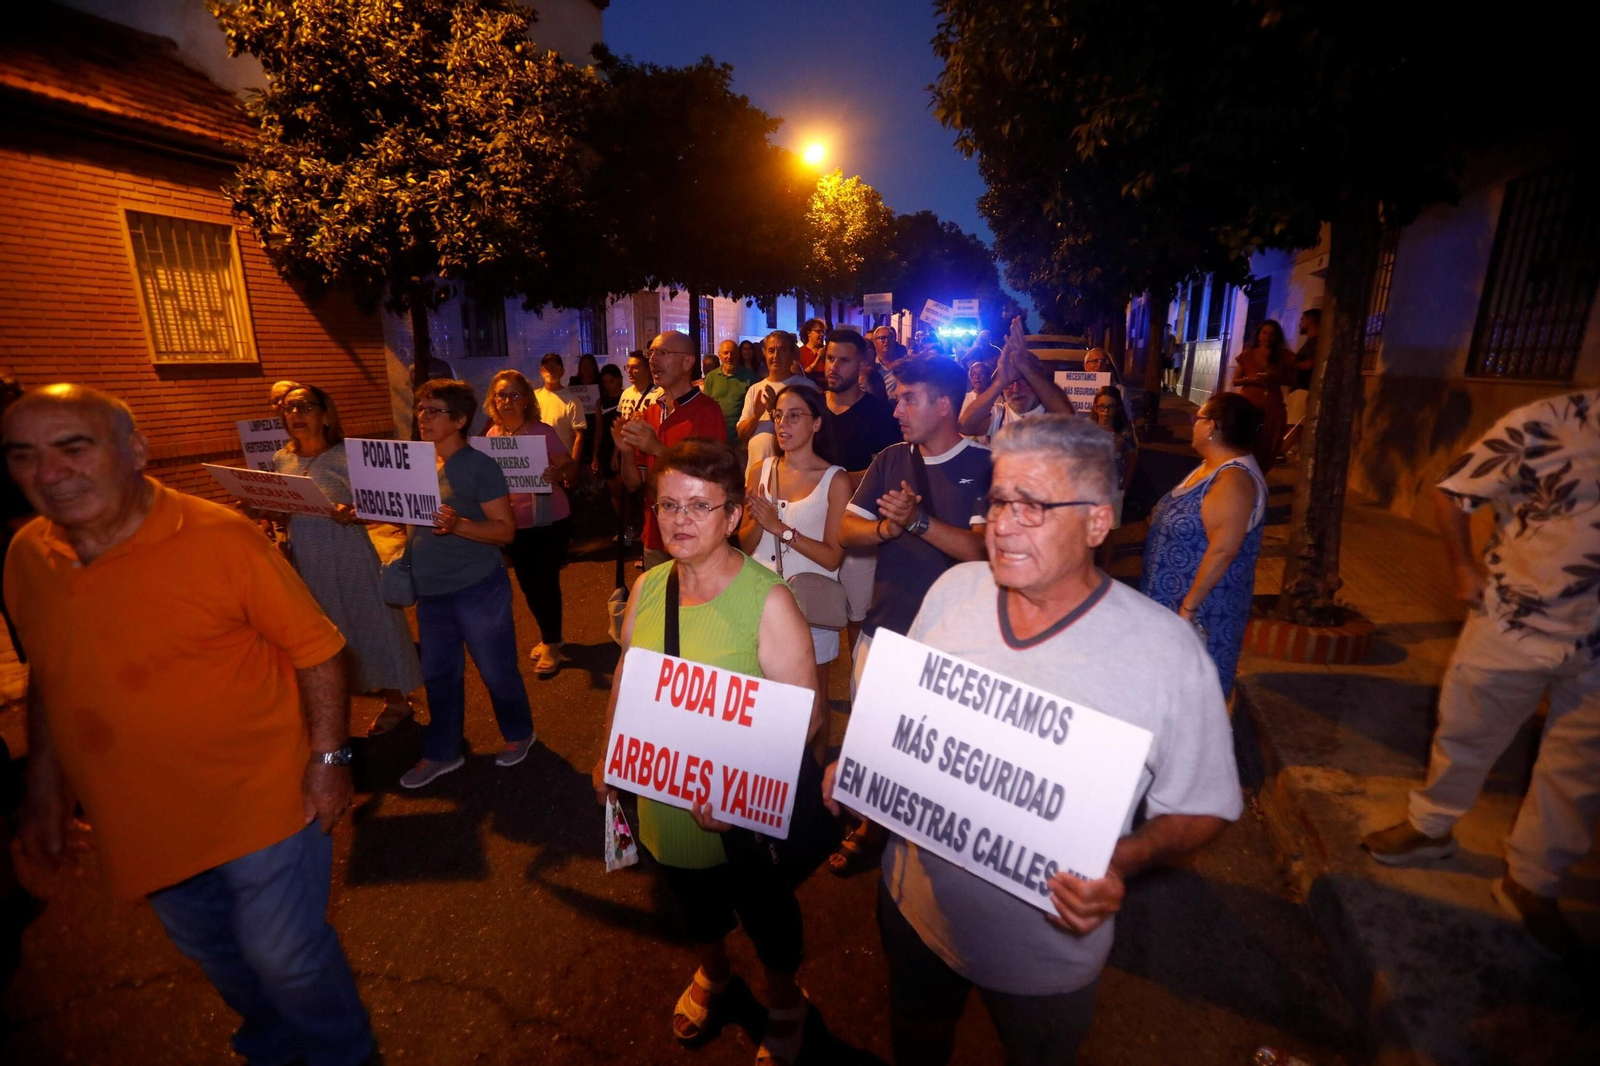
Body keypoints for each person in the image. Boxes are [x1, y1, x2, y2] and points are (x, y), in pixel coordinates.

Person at [824, 414, 1242, 1066]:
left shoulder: (1166, 655)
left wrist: (1122, 861)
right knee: (917, 1035)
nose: (1003, 524)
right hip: (913, 912)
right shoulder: (952, 590)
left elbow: (1206, 805)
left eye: (1036, 505)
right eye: (996, 500)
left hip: (1044, 958)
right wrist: (862, 764)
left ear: (1098, 522)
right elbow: (904, 724)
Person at [3, 384, 375, 1065]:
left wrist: (329, 761)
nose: (48, 473)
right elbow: (54, 675)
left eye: (72, 448)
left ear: (134, 450)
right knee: (218, 953)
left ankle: (342, 1055)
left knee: (285, 955)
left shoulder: (217, 538)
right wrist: (45, 784)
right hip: (141, 820)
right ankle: (273, 1042)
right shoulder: (27, 555)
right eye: (23, 455)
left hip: (265, 800)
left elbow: (320, 649)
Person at [592, 440, 820, 1066]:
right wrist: (609, 753)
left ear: (733, 516)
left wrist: (739, 787)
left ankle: (784, 1001)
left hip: (740, 814)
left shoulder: (767, 601)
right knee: (693, 902)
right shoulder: (649, 584)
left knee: (768, 917)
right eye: (668, 504)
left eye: (698, 506)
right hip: (665, 800)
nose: (680, 519)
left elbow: (808, 717)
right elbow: (627, 675)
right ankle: (715, 973)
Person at [1361, 388, 1600, 960]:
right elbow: (1455, 491)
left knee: (1580, 766)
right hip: (1516, 621)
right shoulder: (1549, 421)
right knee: (1467, 730)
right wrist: (1464, 573)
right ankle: (1432, 826)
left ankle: (1533, 881)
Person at [831, 354, 991, 876]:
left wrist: (918, 522)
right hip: (885, 629)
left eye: (908, 398)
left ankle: (932, 847)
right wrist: (884, 530)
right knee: (877, 739)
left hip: (953, 644)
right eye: (897, 397)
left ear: (944, 405)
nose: (897, 408)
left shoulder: (985, 465)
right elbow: (846, 532)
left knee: (937, 752)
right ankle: (873, 828)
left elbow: (982, 550)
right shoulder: (890, 460)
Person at [402, 379, 535, 788]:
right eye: (420, 409)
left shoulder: (479, 466)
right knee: (439, 675)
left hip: (478, 587)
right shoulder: (416, 463)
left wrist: (459, 525)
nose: (423, 417)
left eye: (433, 410)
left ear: (459, 420)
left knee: (496, 670)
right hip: (431, 591)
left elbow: (504, 531)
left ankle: (518, 733)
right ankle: (442, 752)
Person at [271, 384, 423, 736]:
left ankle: (396, 700)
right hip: (306, 557)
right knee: (322, 632)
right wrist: (266, 509)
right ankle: (330, 703)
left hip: (348, 552)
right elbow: (287, 509)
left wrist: (354, 512)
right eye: (289, 408)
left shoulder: (348, 456)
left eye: (305, 406)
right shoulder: (283, 458)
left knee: (370, 622)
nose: (295, 413)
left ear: (325, 414)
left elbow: (385, 502)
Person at [740, 386, 852, 760]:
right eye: (777, 415)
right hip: (758, 605)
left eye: (794, 415)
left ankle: (813, 793)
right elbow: (744, 542)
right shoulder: (761, 470)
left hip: (810, 609)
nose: (782, 423)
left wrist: (781, 527)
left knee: (813, 711)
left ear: (817, 423)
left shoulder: (835, 480)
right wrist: (759, 521)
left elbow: (833, 557)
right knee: (761, 700)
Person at [1140, 393, 1268, 699]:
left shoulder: (1233, 479)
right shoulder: (1210, 467)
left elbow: (1223, 549)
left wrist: (1188, 608)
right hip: (1171, 606)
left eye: (1197, 419)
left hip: (1203, 612)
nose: (1192, 425)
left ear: (1211, 426)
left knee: (1192, 697)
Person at [484, 370, 580, 680]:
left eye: (515, 394)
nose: (508, 401)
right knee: (527, 584)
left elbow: (570, 467)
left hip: (548, 519)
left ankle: (551, 642)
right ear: (493, 401)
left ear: (527, 400)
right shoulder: (491, 437)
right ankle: (551, 635)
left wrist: (559, 472)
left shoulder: (542, 432)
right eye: (502, 395)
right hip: (513, 524)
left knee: (545, 583)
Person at [614, 332, 730, 571]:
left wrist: (656, 447)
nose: (653, 360)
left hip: (695, 535)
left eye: (663, 353)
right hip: (655, 535)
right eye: (651, 353)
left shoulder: (708, 411)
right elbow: (635, 483)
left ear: (688, 362)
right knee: (658, 605)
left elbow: (711, 481)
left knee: (696, 607)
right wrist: (626, 450)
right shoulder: (651, 413)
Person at [818, 332, 903, 652]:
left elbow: (885, 473)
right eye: (829, 358)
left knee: (860, 618)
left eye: (844, 360)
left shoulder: (881, 415)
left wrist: (831, 482)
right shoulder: (810, 408)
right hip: (811, 528)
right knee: (809, 613)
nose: (834, 366)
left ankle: (858, 693)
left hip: (859, 531)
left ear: (863, 365)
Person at [960, 325, 1074, 441]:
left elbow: (1069, 417)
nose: (1015, 390)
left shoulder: (1051, 414)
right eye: (1009, 383)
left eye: (1023, 380)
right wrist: (999, 383)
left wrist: (1025, 367)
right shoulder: (998, 415)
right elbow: (965, 426)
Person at [737, 331, 819, 474]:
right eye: (771, 350)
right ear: (765, 354)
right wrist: (755, 416)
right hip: (755, 473)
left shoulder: (805, 387)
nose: (776, 356)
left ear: (792, 354)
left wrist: (773, 412)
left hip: (791, 475)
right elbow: (742, 434)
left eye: (783, 350)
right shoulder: (754, 389)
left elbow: (813, 432)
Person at [1231, 321, 1290, 472]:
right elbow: (1235, 380)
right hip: (1250, 404)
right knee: (1248, 442)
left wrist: (1275, 378)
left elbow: (1291, 378)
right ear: (1258, 335)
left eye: (1272, 333)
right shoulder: (1247, 355)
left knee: (1269, 444)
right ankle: (1242, 474)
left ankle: (1259, 476)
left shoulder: (1283, 356)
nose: (1267, 336)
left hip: (1273, 406)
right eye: (1264, 332)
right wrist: (1249, 379)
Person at [1090, 385, 1138, 531]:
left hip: (1114, 488)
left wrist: (1127, 483)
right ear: (1095, 407)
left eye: (1111, 407)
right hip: (1089, 488)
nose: (1106, 411)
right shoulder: (1086, 429)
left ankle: (1107, 555)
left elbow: (1132, 458)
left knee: (1109, 530)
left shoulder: (1124, 432)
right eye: (1102, 406)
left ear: (1118, 408)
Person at [701, 338, 757, 444]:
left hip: (740, 442)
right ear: (720, 355)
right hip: (716, 441)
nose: (729, 357)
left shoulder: (749, 377)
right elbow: (705, 409)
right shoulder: (711, 377)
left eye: (732, 353)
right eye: (726, 353)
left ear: (738, 355)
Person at [1281, 308, 1321, 458]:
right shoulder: (1310, 342)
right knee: (1293, 424)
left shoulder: (1316, 342)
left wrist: (1290, 365)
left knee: (1295, 426)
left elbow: (1310, 364)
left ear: (1310, 320)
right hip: (1298, 388)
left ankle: (1280, 453)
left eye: (1302, 320)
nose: (1300, 324)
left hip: (1304, 388)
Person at [532, 353, 587, 459]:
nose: (550, 371)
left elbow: (579, 436)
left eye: (555, 367)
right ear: (541, 371)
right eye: (547, 368)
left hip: (562, 461)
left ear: (562, 371)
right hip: (536, 458)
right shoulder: (532, 398)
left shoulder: (573, 401)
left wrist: (573, 465)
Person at [1083, 347, 1138, 429]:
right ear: (1085, 366)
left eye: (1103, 361)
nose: (1099, 365)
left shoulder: (1119, 390)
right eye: (1094, 361)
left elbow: (1126, 420)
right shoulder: (1069, 388)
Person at [870, 324, 907, 401]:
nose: (887, 341)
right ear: (874, 342)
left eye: (890, 338)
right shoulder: (871, 365)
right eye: (882, 338)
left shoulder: (903, 364)